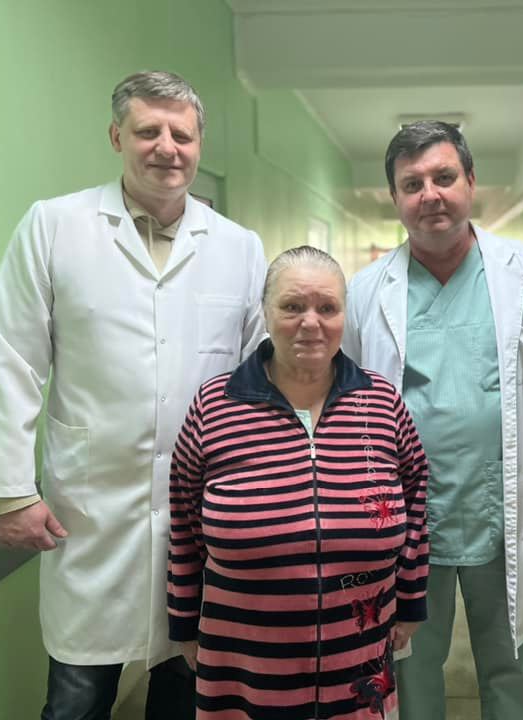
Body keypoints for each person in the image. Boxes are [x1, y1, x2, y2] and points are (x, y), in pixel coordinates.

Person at [0, 70, 267, 720]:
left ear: (199, 144)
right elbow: (13, 357)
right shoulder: (54, 226)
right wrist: (11, 491)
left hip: (201, 517)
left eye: (182, 134)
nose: (167, 147)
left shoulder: (240, 248)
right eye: (148, 131)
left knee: (184, 693)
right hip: (90, 514)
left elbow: (258, 381)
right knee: (77, 699)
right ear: (116, 137)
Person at [343, 121, 523, 720]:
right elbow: (350, 399)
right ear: (395, 197)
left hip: (500, 504)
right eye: (412, 184)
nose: (430, 195)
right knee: (408, 659)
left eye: (443, 177)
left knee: (512, 657)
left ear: (471, 181)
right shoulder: (366, 291)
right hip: (407, 515)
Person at [167, 246, 429, 719]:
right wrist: (185, 625)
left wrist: (409, 605)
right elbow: (185, 531)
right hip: (244, 663)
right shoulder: (215, 407)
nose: (311, 322)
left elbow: (416, 509)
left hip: (359, 660)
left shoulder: (382, 404)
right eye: (292, 306)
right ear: (265, 312)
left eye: (327, 307)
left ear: (344, 316)